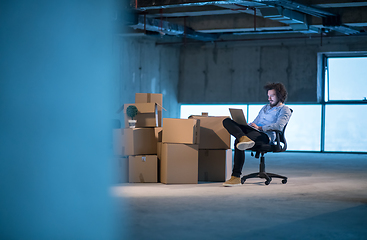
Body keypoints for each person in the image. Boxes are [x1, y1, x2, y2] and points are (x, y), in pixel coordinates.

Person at [222, 82, 292, 187]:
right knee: (226, 121)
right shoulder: (265, 108)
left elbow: (279, 126)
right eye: (268, 96)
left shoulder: (285, 110)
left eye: (272, 95)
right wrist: (250, 125)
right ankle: (243, 137)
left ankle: (235, 177)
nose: (269, 98)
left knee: (238, 142)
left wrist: (260, 128)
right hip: (255, 131)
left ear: (279, 95)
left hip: (265, 136)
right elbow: (256, 121)